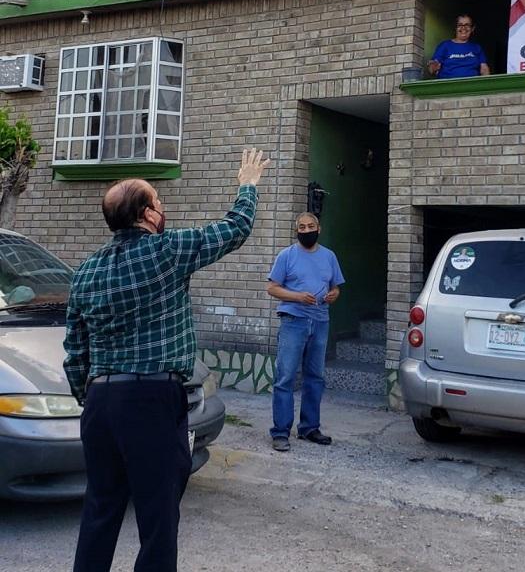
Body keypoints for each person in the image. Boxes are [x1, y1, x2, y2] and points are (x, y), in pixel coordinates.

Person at [64, 148, 269, 572]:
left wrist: (92, 396)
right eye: (159, 202)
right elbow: (234, 229)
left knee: (99, 512)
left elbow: (75, 351)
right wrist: (247, 185)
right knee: (158, 519)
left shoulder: (85, 271)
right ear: (146, 215)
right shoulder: (168, 250)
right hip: (151, 400)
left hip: (100, 405)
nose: (164, 209)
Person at [267, 212, 344, 452]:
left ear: (318, 229)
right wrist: (298, 296)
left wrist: (334, 295)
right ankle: (280, 432)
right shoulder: (286, 256)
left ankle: (309, 428)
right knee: (286, 377)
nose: (306, 230)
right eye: (302, 227)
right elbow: (272, 288)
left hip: (321, 321)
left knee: (315, 377)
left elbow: (336, 288)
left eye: (310, 226)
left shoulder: (329, 256)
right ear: (297, 230)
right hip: (294, 321)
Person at [428, 14, 490, 79]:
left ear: (472, 29)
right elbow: (432, 70)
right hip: (448, 85)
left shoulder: (477, 47)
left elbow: (484, 69)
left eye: (467, 25)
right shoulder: (445, 46)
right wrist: (433, 66)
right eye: (460, 25)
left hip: (472, 85)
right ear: (455, 28)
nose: (463, 28)